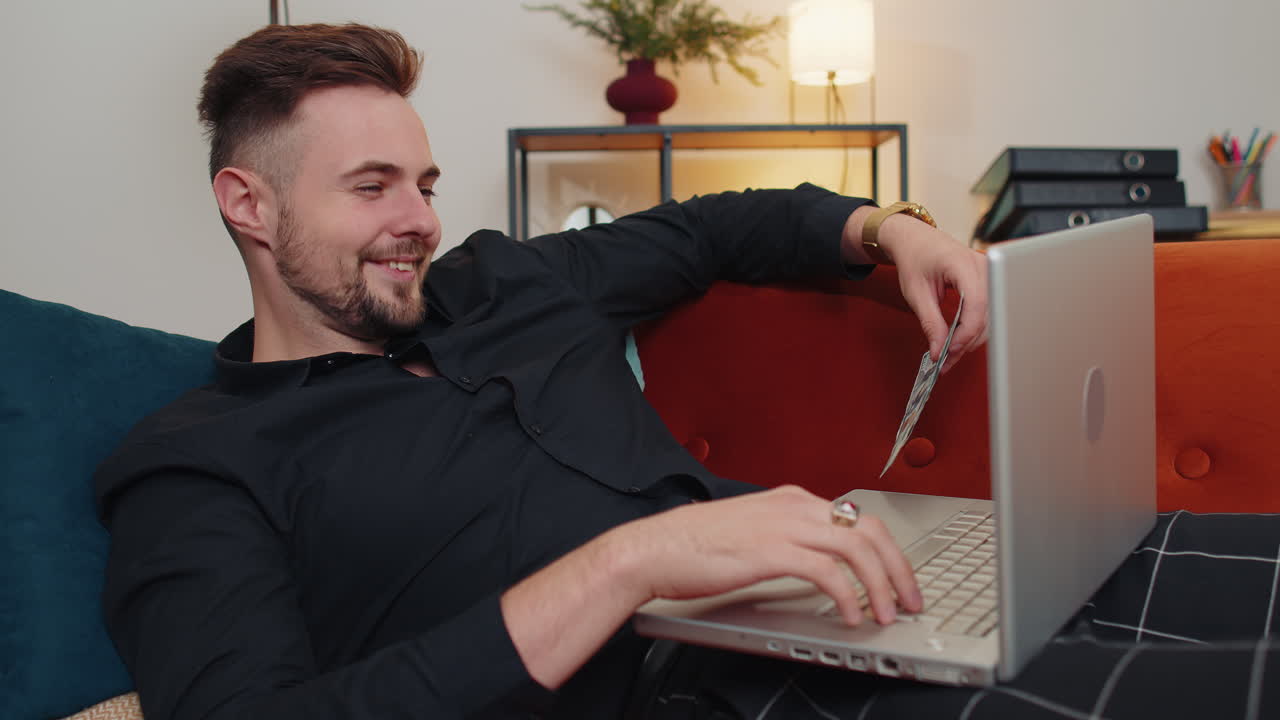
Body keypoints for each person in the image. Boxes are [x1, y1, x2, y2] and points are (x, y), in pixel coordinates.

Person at [97, 22, 1280, 720]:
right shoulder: (195, 462)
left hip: (832, 601)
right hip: (718, 698)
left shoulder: (502, 283)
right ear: (246, 204)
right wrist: (624, 568)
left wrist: (895, 233)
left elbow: (719, 228)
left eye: (425, 183)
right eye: (370, 189)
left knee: (1219, 558)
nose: (417, 219)